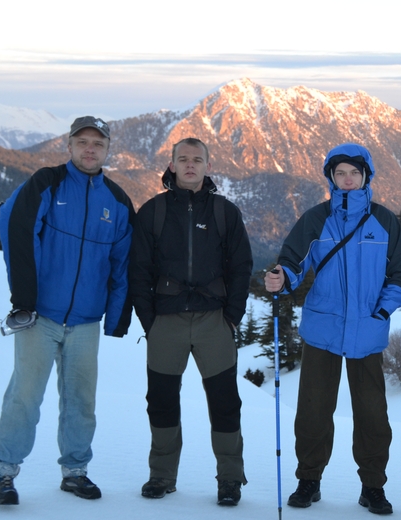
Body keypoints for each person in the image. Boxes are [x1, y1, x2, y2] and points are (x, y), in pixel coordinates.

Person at [0, 116, 134, 505]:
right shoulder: (47, 183)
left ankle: (75, 472)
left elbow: (123, 266)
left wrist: (117, 318)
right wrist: (24, 301)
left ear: (107, 150)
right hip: (41, 316)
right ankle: (3, 473)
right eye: (82, 142)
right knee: (25, 396)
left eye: (98, 144)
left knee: (81, 401)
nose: (90, 149)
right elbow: (15, 228)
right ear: (69, 146)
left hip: (86, 321)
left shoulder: (117, 202)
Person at [264, 143, 401, 515]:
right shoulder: (316, 219)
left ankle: (372, 487)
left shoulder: (384, 220)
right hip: (323, 329)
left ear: (367, 176)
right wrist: (282, 278)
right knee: (314, 410)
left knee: (372, 415)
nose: (347, 180)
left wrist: (382, 310)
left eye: (354, 173)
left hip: (368, 330)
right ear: (331, 178)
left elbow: (400, 273)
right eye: (340, 173)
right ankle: (308, 481)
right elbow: (293, 263)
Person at [129, 138, 253, 505]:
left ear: (207, 166)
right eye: (182, 159)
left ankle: (230, 478)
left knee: (225, 401)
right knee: (162, 400)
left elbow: (242, 267)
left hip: (214, 320)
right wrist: (149, 321)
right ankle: (161, 475)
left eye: (197, 160)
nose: (190, 165)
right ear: (171, 164)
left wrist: (232, 316)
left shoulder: (224, 212)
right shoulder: (153, 211)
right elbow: (138, 270)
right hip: (166, 320)